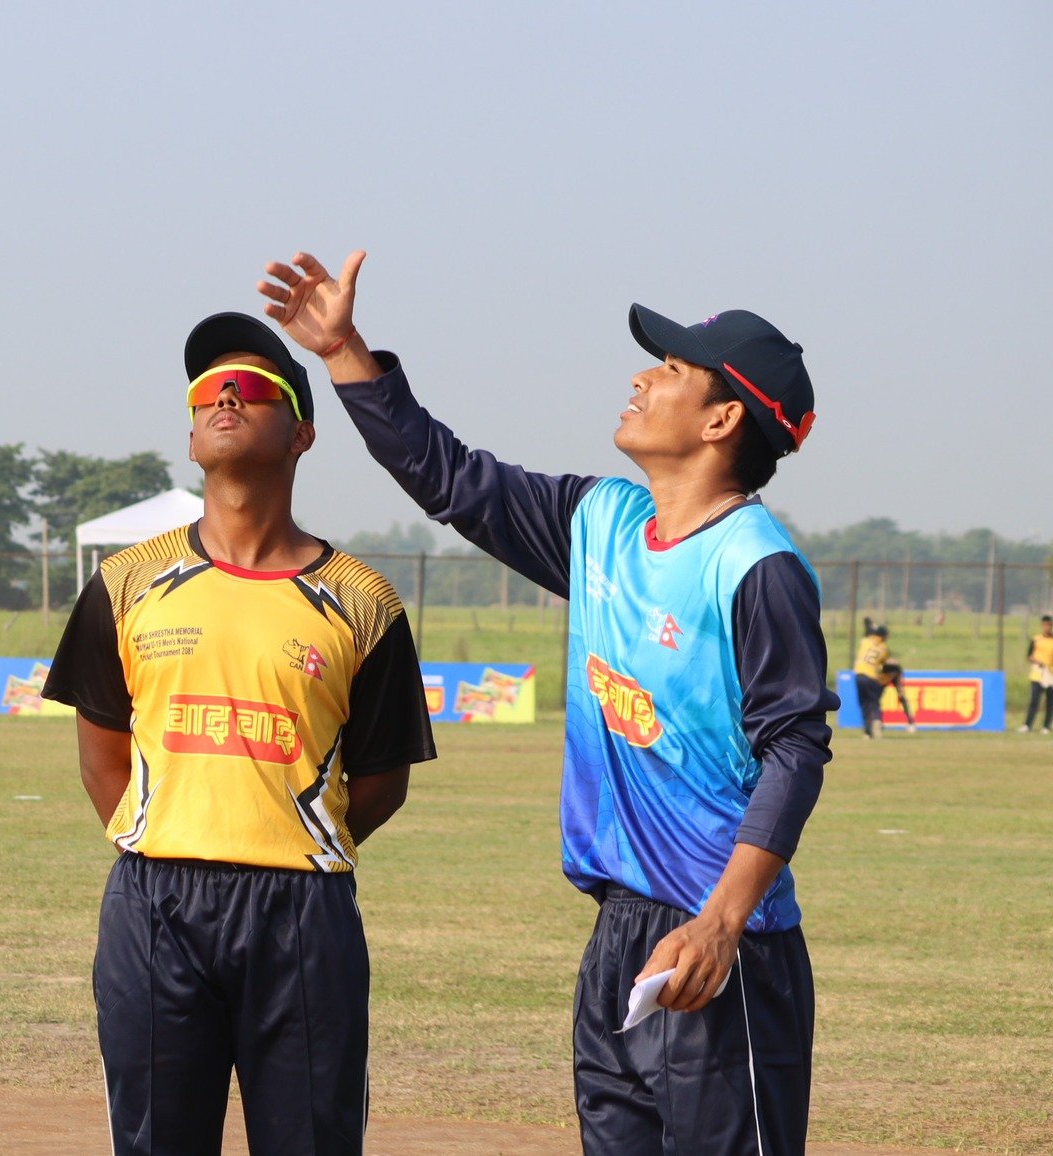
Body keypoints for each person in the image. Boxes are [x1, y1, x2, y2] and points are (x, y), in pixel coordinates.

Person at [259, 250, 834, 1153]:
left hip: (720, 946)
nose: (644, 376)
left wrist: (722, 922)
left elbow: (797, 750)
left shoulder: (755, 566)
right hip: (618, 935)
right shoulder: (600, 524)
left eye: (673, 368)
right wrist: (343, 356)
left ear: (723, 417)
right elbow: (450, 478)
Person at [41, 312, 435, 1155]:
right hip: (155, 906)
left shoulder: (365, 602)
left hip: (303, 915)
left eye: (255, 387)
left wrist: (278, 838)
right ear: (191, 436)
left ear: (302, 433)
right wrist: (179, 838)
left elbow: (382, 782)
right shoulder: (125, 581)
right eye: (207, 390)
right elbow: (102, 757)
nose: (226, 394)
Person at [851, 620, 900, 738]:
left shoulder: (866, 641)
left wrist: (869, 623)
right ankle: (877, 720)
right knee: (873, 702)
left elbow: (867, 630)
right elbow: (885, 665)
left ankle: (867, 732)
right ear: (884, 636)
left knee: (863, 704)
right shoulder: (885, 649)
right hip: (872, 677)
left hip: (859, 676)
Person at [1021, 616, 1053, 733]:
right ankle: (1027, 725)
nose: (1046, 627)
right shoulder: (1036, 639)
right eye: (1044, 625)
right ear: (1042, 625)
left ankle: (1046, 726)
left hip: (1050, 675)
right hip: (1037, 674)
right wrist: (1036, 661)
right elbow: (1029, 655)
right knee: (1034, 700)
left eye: (1048, 625)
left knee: (1050, 702)